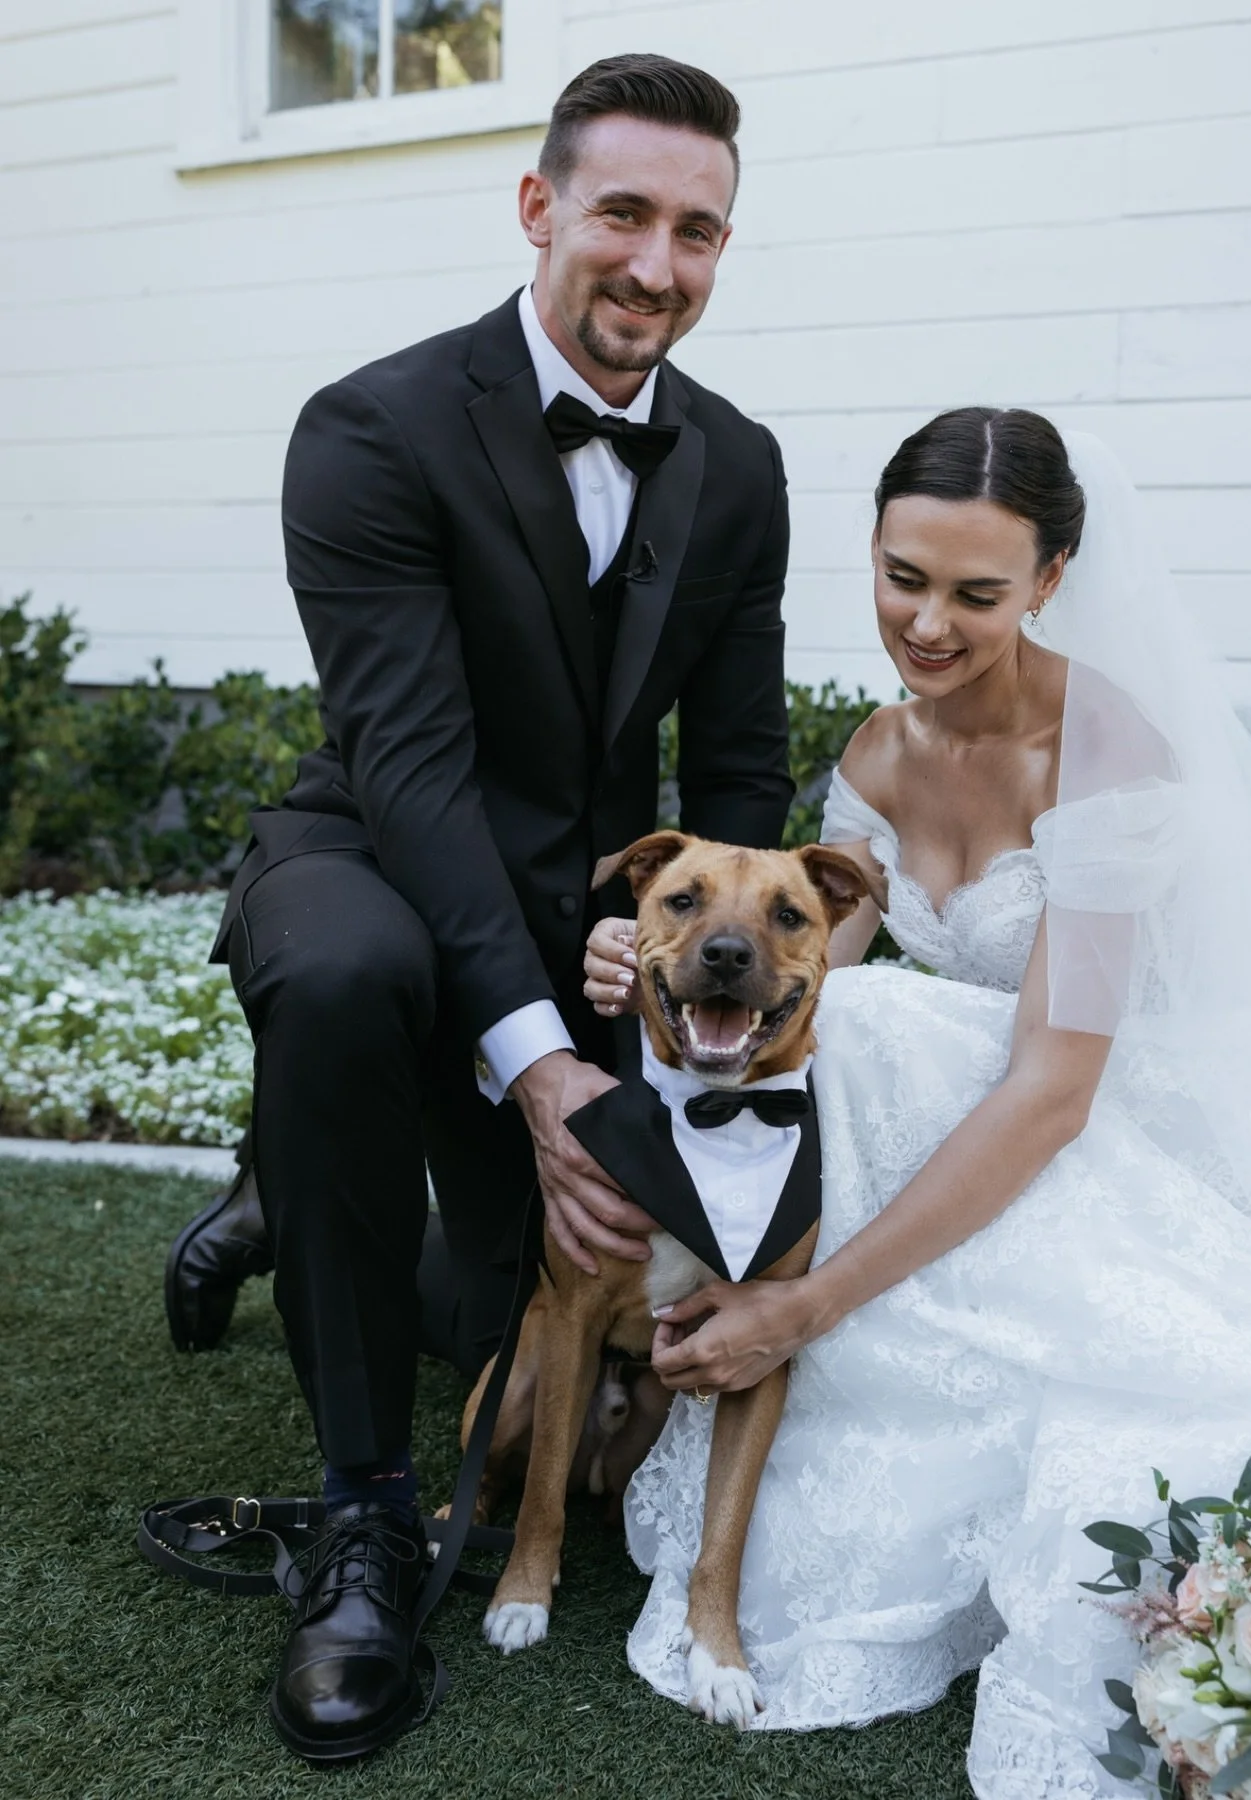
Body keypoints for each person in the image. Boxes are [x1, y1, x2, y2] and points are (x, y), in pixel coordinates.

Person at [584, 408, 1251, 1793]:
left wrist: (812, 1299)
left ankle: (798, 1315)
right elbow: (804, 984)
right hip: (956, 1124)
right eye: (900, 576)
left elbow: (1055, 1085)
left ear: (1053, 579)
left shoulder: (1106, 753)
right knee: (854, 1027)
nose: (926, 623)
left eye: (977, 593)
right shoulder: (875, 752)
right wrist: (659, 963)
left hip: (1112, 1123)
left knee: (1152, 1449)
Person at [174, 54, 795, 1764]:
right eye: (624, 214)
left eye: (701, 231)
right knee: (356, 983)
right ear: (539, 208)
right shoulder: (370, 427)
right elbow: (420, 772)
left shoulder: (734, 464)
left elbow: (737, 778)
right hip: (376, 856)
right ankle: (367, 1518)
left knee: (495, 1313)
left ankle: (279, 1193)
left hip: (602, 922)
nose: (658, 265)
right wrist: (548, 1076)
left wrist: (683, 992)